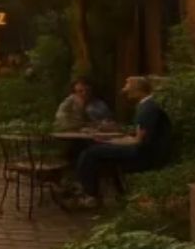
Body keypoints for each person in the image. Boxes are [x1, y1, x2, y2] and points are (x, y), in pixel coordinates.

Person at [73, 75, 174, 208]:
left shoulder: (148, 108)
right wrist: (112, 139)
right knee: (96, 151)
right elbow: (137, 135)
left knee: (90, 153)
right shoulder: (146, 105)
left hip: (145, 153)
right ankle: (95, 192)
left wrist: (112, 143)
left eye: (127, 88)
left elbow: (138, 140)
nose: (125, 91)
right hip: (143, 149)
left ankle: (89, 195)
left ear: (137, 90)